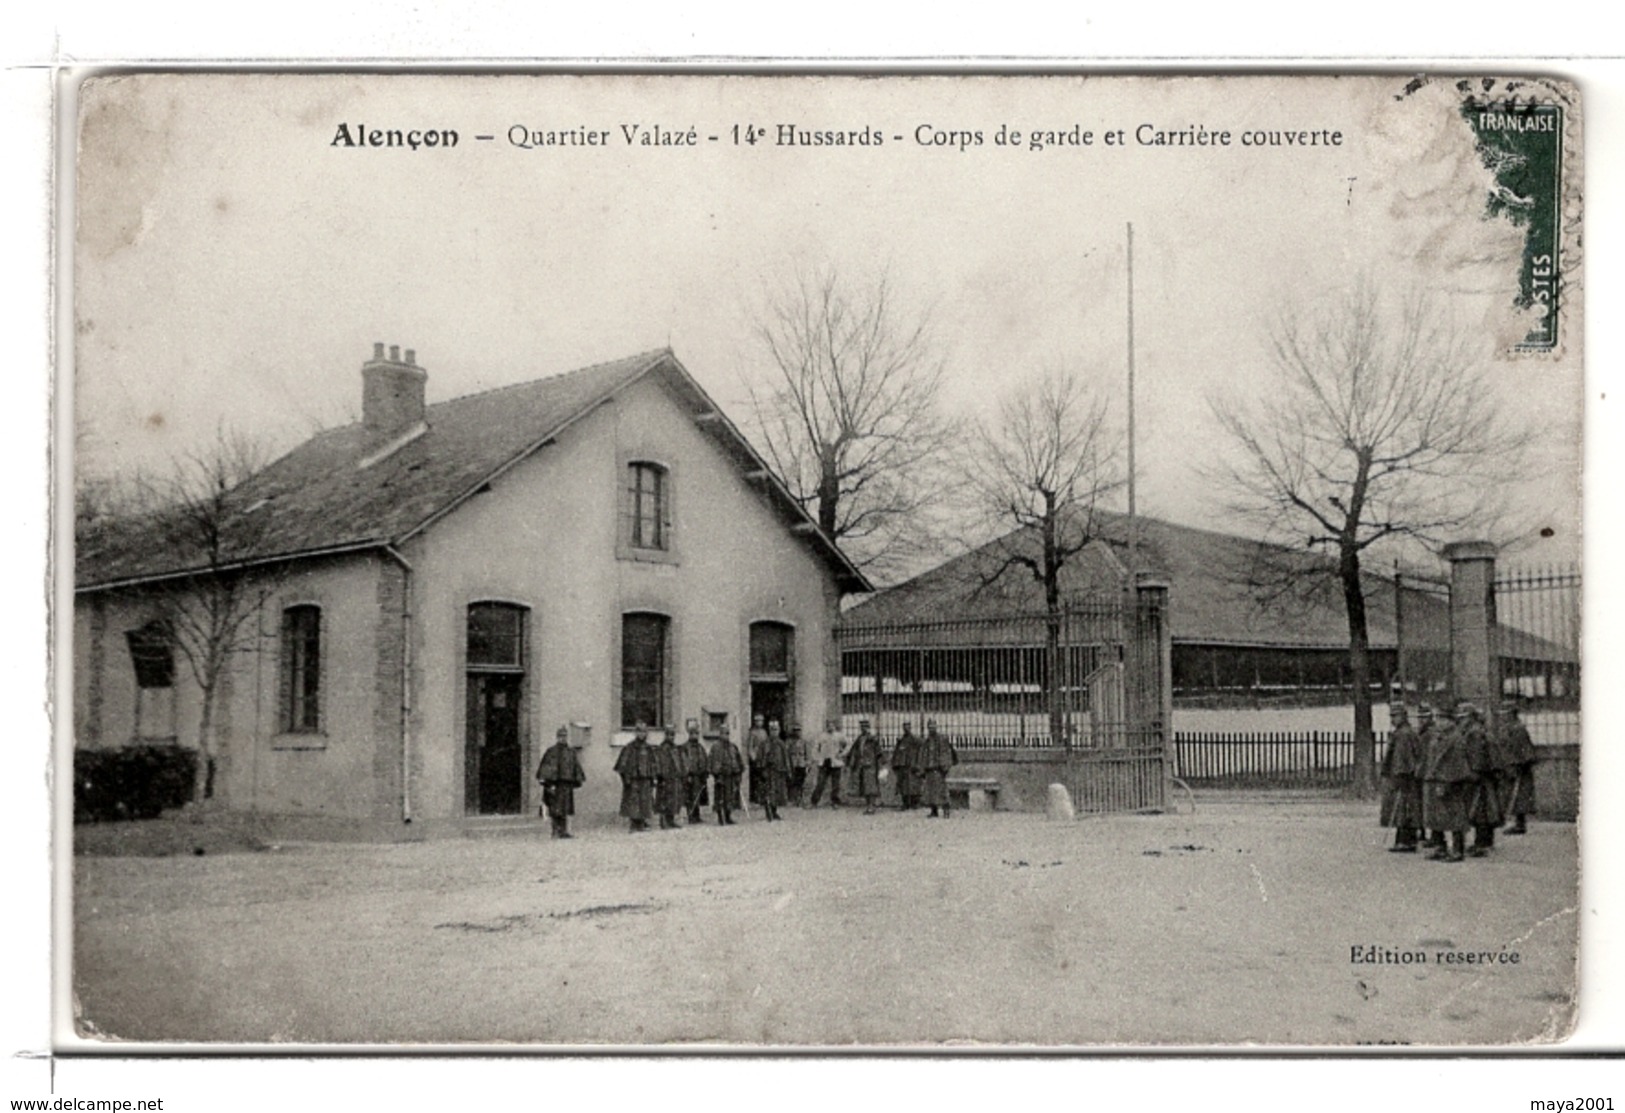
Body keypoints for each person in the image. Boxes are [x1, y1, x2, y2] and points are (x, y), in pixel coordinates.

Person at [1422, 705, 1472, 862]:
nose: (1439, 722)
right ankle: (1439, 846)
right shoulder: (1438, 736)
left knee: (1455, 815)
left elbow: (1455, 763)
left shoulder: (1455, 738)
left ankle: (1458, 850)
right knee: (1436, 815)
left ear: (1451, 721)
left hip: (1450, 781)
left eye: (1442, 719)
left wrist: (1446, 782)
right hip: (1436, 779)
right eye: (1438, 718)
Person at [1379, 705, 1424, 852]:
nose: (1393, 719)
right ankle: (1407, 839)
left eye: (1395, 716)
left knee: (1403, 809)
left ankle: (1405, 841)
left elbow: (1402, 758)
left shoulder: (1403, 734)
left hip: (1403, 776)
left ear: (1403, 716)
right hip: (1405, 775)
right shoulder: (1404, 732)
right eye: (1392, 716)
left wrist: (1401, 774)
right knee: (1405, 808)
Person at [1462, 704, 1503, 856]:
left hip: (1480, 776)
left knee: (1481, 811)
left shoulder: (1474, 733)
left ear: (1470, 717)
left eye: (1463, 718)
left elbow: (1476, 756)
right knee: (1486, 809)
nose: (1462, 721)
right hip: (1487, 776)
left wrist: (1473, 772)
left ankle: (1482, 844)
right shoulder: (1481, 730)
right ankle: (1486, 842)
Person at [536, 725, 585, 839]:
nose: (562, 738)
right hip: (554, 784)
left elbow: (575, 766)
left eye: (564, 736)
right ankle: (555, 831)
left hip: (566, 784)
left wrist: (576, 780)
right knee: (555, 808)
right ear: (557, 737)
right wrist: (548, 783)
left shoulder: (570, 752)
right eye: (560, 736)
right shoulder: (551, 751)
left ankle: (563, 831)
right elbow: (546, 768)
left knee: (564, 808)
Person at [1498, 703, 1537, 834]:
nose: (1501, 717)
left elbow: (1525, 749)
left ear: (1510, 714)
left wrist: (1520, 765)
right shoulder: (1508, 728)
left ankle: (1520, 824)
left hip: (1518, 767)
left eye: (1504, 714)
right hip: (1509, 765)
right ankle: (1517, 822)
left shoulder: (1517, 728)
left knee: (1519, 796)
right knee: (1513, 796)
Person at [614, 723, 657, 833]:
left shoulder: (648, 748)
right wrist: (626, 778)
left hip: (645, 778)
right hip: (634, 779)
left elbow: (653, 763)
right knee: (633, 801)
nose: (642, 734)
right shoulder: (630, 747)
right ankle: (634, 823)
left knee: (645, 800)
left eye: (644, 731)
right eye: (640, 731)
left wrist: (652, 777)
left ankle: (642, 822)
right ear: (636, 733)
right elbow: (622, 765)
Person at [914, 718, 958, 818]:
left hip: (938, 769)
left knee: (941, 791)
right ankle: (934, 811)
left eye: (933, 726)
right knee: (930, 792)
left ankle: (946, 810)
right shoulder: (927, 741)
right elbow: (924, 755)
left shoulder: (941, 739)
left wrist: (944, 767)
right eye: (929, 727)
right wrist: (922, 768)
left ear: (936, 727)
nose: (931, 729)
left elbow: (945, 753)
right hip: (929, 769)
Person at [708, 722, 744, 825]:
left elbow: (738, 760)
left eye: (728, 733)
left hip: (731, 775)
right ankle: (721, 818)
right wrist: (716, 773)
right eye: (724, 733)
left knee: (730, 797)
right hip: (721, 776)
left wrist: (738, 771)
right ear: (720, 734)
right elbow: (711, 761)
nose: (726, 735)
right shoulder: (715, 747)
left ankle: (728, 816)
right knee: (720, 798)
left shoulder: (733, 747)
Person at [845, 718, 882, 814]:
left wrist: (881, 765)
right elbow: (853, 750)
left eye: (865, 727)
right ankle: (868, 806)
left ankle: (871, 806)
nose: (863, 729)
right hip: (861, 765)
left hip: (871, 765)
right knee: (865, 786)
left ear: (869, 728)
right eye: (862, 727)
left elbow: (879, 753)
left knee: (871, 786)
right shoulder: (860, 738)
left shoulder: (873, 739)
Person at [654, 724, 687, 829]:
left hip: (674, 778)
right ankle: (663, 821)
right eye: (669, 735)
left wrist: (681, 773)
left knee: (674, 800)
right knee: (664, 800)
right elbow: (659, 763)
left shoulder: (675, 748)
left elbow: (679, 762)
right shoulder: (661, 748)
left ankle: (671, 820)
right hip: (665, 778)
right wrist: (661, 776)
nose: (671, 737)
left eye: (673, 735)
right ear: (665, 735)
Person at [809, 718, 847, 807]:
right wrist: (817, 758)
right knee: (820, 783)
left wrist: (841, 754)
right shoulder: (821, 736)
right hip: (824, 762)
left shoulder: (839, 736)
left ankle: (835, 802)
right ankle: (814, 802)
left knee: (835, 784)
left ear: (834, 726)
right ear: (826, 726)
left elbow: (848, 745)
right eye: (828, 725)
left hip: (836, 762)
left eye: (832, 725)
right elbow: (815, 748)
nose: (830, 727)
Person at [758, 720, 790, 821]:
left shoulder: (781, 744)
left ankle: (774, 811)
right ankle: (769, 813)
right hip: (768, 772)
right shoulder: (764, 744)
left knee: (778, 793)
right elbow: (760, 757)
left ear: (779, 731)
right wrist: (761, 769)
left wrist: (787, 770)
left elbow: (786, 758)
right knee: (768, 792)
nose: (774, 732)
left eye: (776, 730)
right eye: (772, 730)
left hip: (779, 772)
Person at [681, 720, 711, 824]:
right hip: (691, 776)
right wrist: (687, 774)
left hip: (700, 775)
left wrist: (706, 771)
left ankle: (697, 816)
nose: (695, 736)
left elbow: (705, 759)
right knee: (690, 796)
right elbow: (684, 762)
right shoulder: (685, 747)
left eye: (697, 734)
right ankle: (691, 816)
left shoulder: (700, 747)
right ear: (689, 734)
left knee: (698, 795)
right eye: (693, 733)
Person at [891, 721, 921, 810]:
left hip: (911, 764)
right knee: (903, 785)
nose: (906, 729)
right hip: (903, 764)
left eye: (908, 727)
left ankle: (914, 803)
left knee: (913, 784)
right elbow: (898, 751)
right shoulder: (902, 740)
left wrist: (917, 761)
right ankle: (905, 803)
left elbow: (921, 747)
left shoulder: (915, 739)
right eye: (904, 727)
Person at [745, 713, 770, 810]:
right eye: (758, 721)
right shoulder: (753, 733)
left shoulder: (764, 732)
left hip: (764, 756)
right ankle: (757, 798)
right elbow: (750, 746)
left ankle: (764, 798)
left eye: (761, 721)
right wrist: (753, 757)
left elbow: (767, 744)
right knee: (757, 778)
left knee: (764, 778)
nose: (760, 723)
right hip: (757, 757)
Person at [787, 723, 810, 807]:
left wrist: (807, 765)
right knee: (792, 782)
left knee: (801, 782)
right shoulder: (789, 742)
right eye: (795, 730)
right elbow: (787, 753)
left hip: (801, 764)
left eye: (799, 730)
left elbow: (808, 754)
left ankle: (800, 799)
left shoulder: (804, 741)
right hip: (793, 764)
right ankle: (792, 799)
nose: (797, 732)